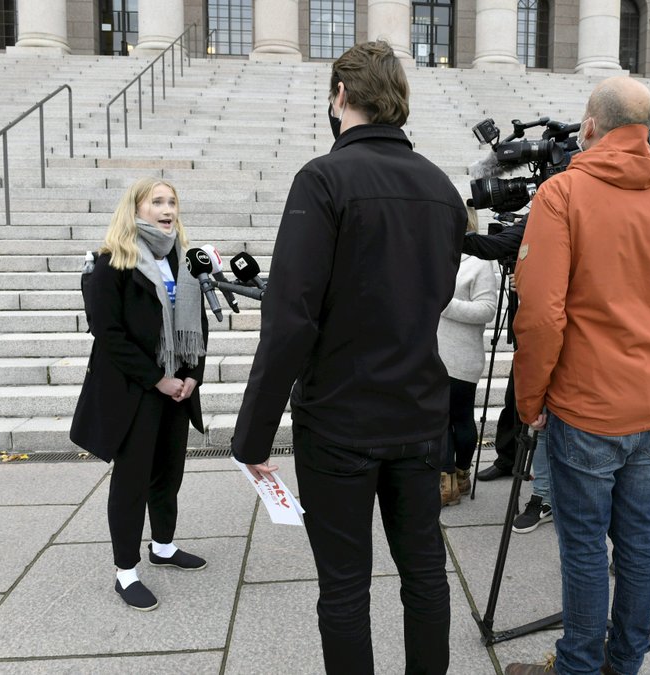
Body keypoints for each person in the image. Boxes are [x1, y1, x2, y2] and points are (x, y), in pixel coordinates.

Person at [230, 41, 466, 675]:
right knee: (425, 574)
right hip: (418, 411)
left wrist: (252, 433)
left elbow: (290, 319)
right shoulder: (441, 187)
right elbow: (433, 296)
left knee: (344, 586)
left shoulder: (324, 178)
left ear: (340, 96)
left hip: (340, 418)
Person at [504, 76, 650, 675]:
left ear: (590, 126)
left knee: (584, 546)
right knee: (639, 542)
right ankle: (624, 660)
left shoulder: (563, 192)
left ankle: (580, 665)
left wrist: (530, 398)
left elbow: (540, 313)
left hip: (586, 405)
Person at [70, 177, 209, 612]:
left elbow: (197, 327)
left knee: (168, 474)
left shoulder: (184, 263)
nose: (168, 209)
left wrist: (191, 376)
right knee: (131, 482)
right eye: (158, 201)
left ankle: (163, 546)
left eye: (173, 201)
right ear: (136, 209)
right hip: (135, 390)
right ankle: (125, 572)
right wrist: (157, 379)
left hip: (177, 389)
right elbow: (108, 333)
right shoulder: (110, 263)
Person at [438, 206, 498, 506]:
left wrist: (445, 305)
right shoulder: (431, 255)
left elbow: (487, 310)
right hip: (430, 354)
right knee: (437, 418)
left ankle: (459, 473)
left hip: (461, 356)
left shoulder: (478, 262)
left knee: (459, 417)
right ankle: (447, 479)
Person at [463, 218, 525, 484]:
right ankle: (507, 458)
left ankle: (544, 490)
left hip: (571, 331)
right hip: (534, 335)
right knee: (514, 396)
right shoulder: (542, 211)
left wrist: (531, 276)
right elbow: (498, 245)